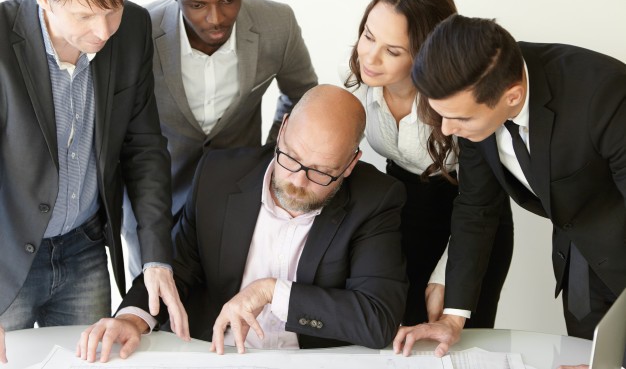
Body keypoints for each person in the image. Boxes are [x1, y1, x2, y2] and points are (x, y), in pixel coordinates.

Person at [76, 85, 409, 363]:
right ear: (284, 128)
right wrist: (133, 319)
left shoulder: (375, 199)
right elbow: (177, 269)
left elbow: (376, 318)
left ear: (351, 164)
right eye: (291, 158)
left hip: (310, 363)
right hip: (220, 356)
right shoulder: (218, 175)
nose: (297, 180)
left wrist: (270, 291)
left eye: (321, 172)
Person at [393, 14, 626, 368]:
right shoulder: (473, 105)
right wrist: (453, 317)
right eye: (441, 115)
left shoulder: (606, 95)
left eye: (461, 119)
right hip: (579, 260)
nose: (446, 128)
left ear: (512, 96)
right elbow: (477, 208)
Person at [0, 0, 188, 364]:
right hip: (6, 254)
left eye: (113, 9)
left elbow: (144, 150)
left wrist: (155, 258)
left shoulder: (134, 29)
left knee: (94, 361)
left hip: (85, 248)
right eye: (85, 16)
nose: (104, 31)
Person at [122, 0, 318, 278]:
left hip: (238, 196)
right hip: (156, 199)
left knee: (227, 309)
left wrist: (272, 157)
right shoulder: (138, 31)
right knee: (154, 309)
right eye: (197, 5)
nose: (216, 18)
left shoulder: (277, 25)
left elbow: (302, 97)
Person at [344, 0, 513, 327]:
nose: (370, 58)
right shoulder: (361, 84)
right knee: (395, 328)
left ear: (424, 53)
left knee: (453, 330)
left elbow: (480, 204)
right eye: (368, 36)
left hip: (469, 216)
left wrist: (445, 276)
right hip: (401, 210)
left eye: (392, 51)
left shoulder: (457, 100)